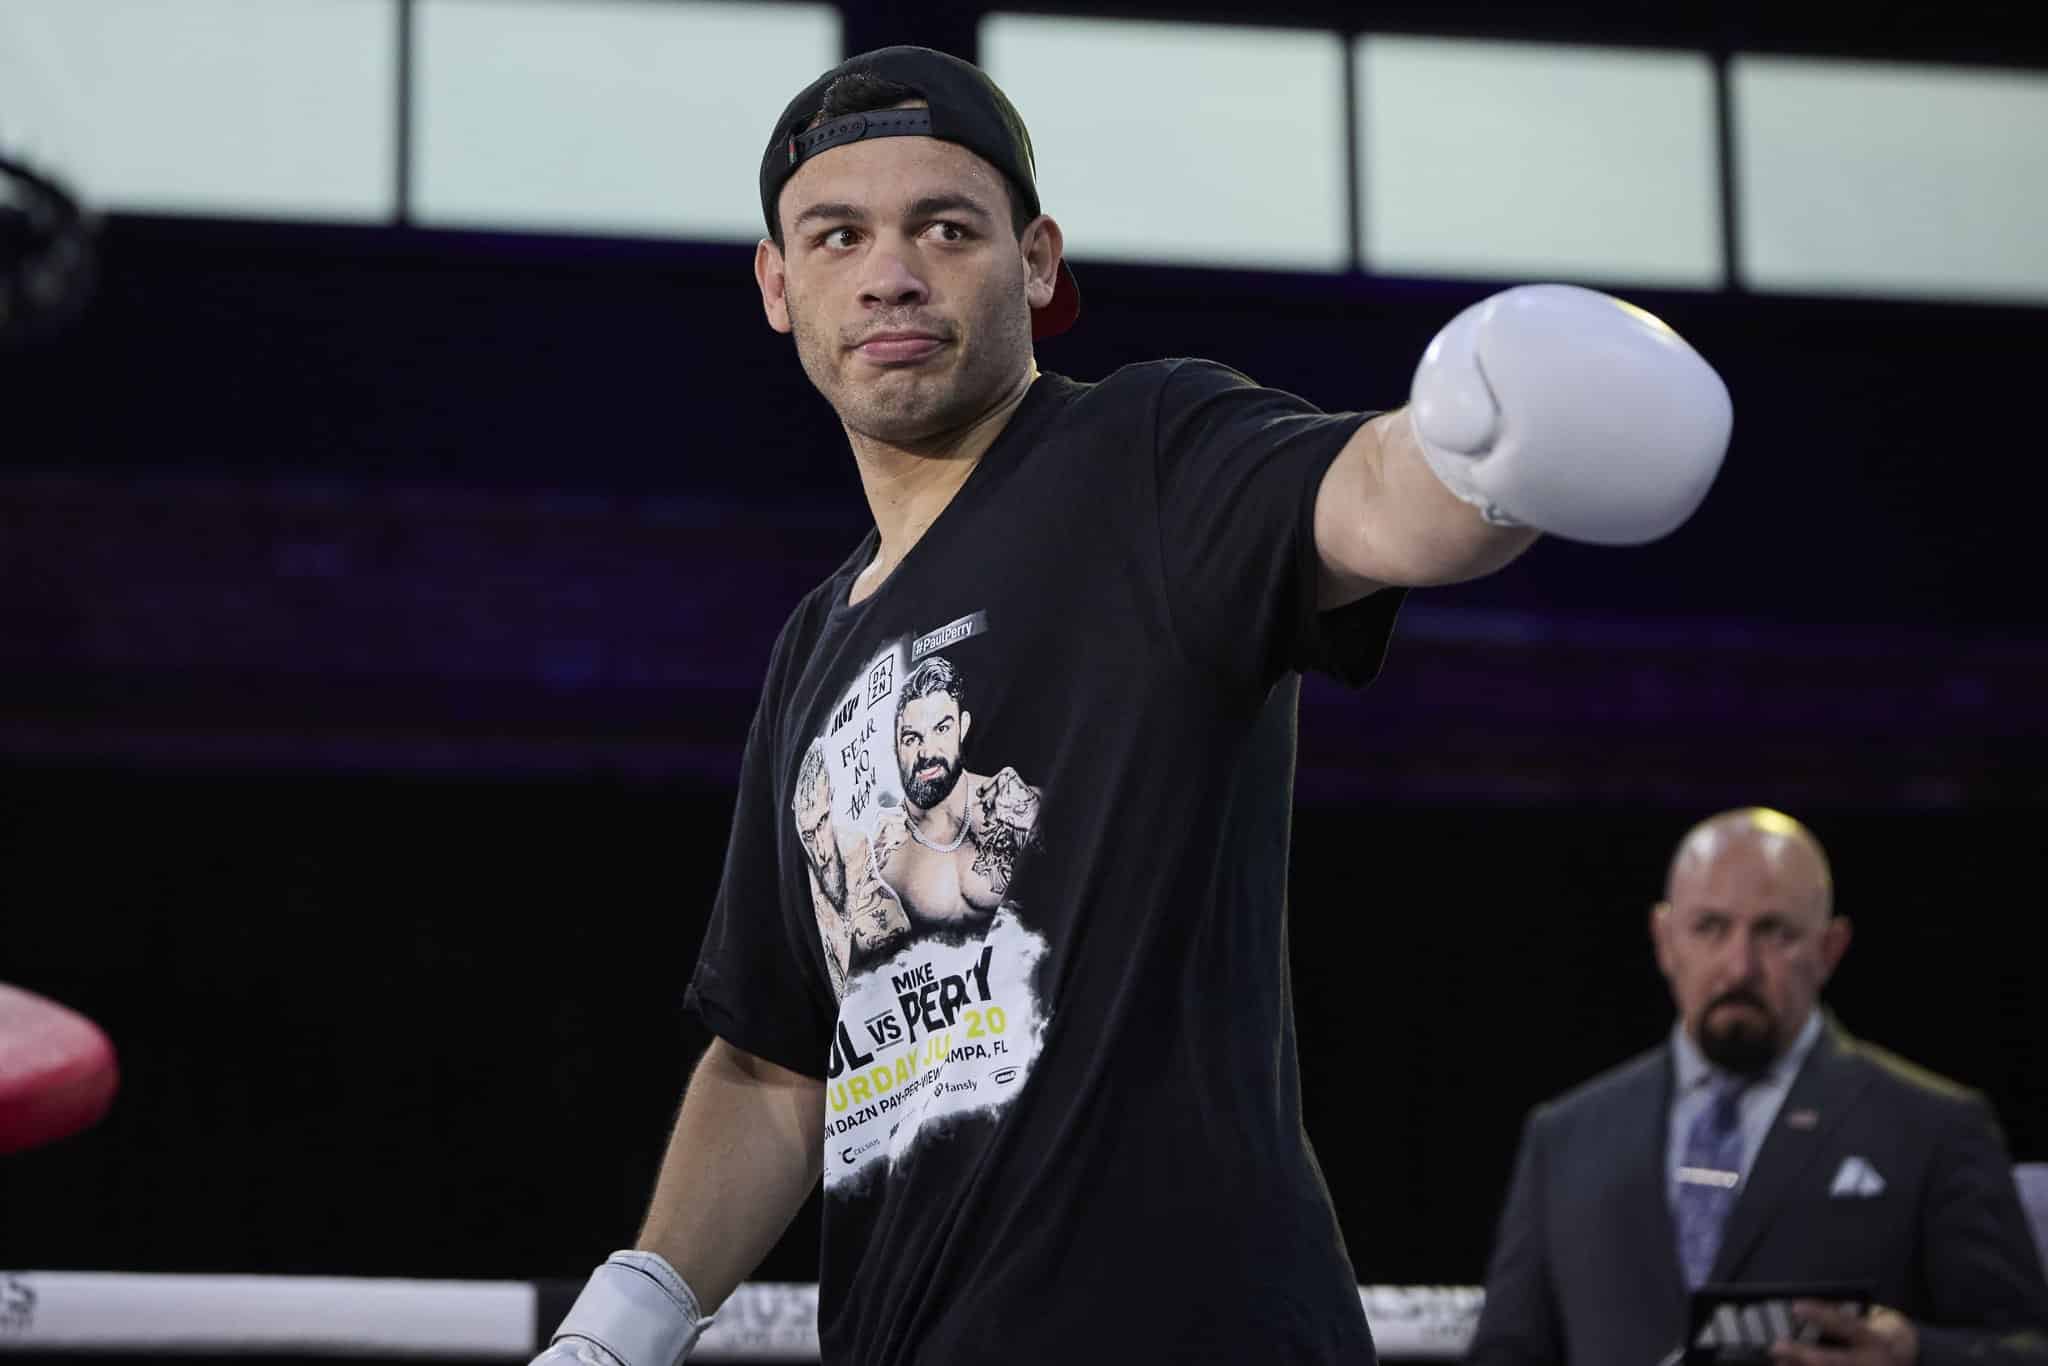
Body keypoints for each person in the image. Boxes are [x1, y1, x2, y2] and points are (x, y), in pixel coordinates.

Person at [534, 45, 1733, 1365]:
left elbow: (1371, 496)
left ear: (1037, 262)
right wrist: (629, 1312)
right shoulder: (816, 647)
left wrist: (1485, 441)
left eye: (946, 225)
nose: (891, 271)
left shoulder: (1146, 460)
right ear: (778, 284)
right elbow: (771, 1066)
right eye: (838, 234)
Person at [1466, 808, 2048, 1366]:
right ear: (1666, 939)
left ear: (1829, 949)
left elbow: (2026, 1348)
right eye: (1710, 928)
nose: (1739, 966)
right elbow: (1508, 1353)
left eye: (1774, 932)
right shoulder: (1566, 1137)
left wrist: (1916, 1354)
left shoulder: (1934, 1128)